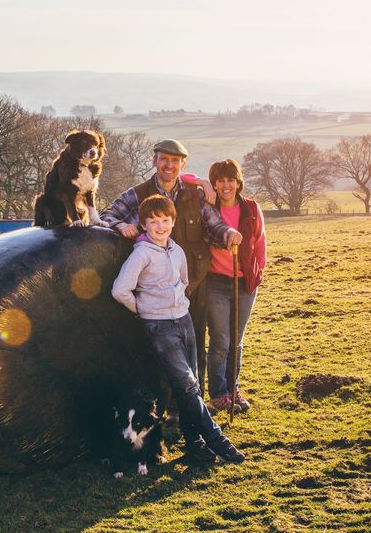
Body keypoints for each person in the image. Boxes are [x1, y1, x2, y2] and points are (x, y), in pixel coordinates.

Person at [111, 194, 246, 464]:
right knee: (188, 385)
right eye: (153, 221)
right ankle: (218, 440)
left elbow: (183, 280)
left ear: (173, 221)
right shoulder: (141, 254)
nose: (160, 226)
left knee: (190, 386)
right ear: (144, 224)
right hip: (159, 327)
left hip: (183, 320)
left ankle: (194, 443)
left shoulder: (177, 251)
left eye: (165, 220)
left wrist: (178, 303)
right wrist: (143, 309)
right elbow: (119, 290)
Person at [101, 139, 242, 394]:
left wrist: (229, 234)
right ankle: (162, 402)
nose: (169, 165)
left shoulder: (197, 194)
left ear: (182, 164)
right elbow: (105, 216)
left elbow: (215, 225)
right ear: (154, 161)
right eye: (164, 159)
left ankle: (192, 401)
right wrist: (121, 226)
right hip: (153, 290)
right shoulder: (137, 193)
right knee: (155, 346)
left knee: (196, 343)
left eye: (175, 161)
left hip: (194, 284)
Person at [203, 159, 266, 414]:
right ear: (214, 184)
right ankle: (218, 395)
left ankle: (233, 389)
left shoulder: (251, 208)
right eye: (220, 180)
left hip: (245, 283)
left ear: (238, 183)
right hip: (216, 282)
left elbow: (260, 242)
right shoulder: (208, 208)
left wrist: (257, 271)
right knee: (221, 340)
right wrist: (200, 182)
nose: (225, 185)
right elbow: (184, 178)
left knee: (236, 341)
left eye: (230, 179)